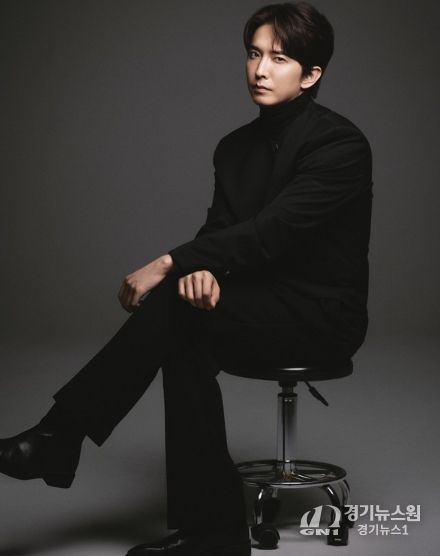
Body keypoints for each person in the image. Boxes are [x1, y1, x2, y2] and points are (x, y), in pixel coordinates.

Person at [0, 2, 373, 555]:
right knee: (183, 325)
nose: (260, 70)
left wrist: (168, 263)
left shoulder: (340, 146)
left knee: (175, 307)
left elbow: (269, 234)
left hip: (321, 315)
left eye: (279, 58)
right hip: (255, 305)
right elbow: (220, 232)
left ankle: (60, 436)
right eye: (253, 54)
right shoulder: (233, 148)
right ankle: (210, 535)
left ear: (310, 74)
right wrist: (201, 271)